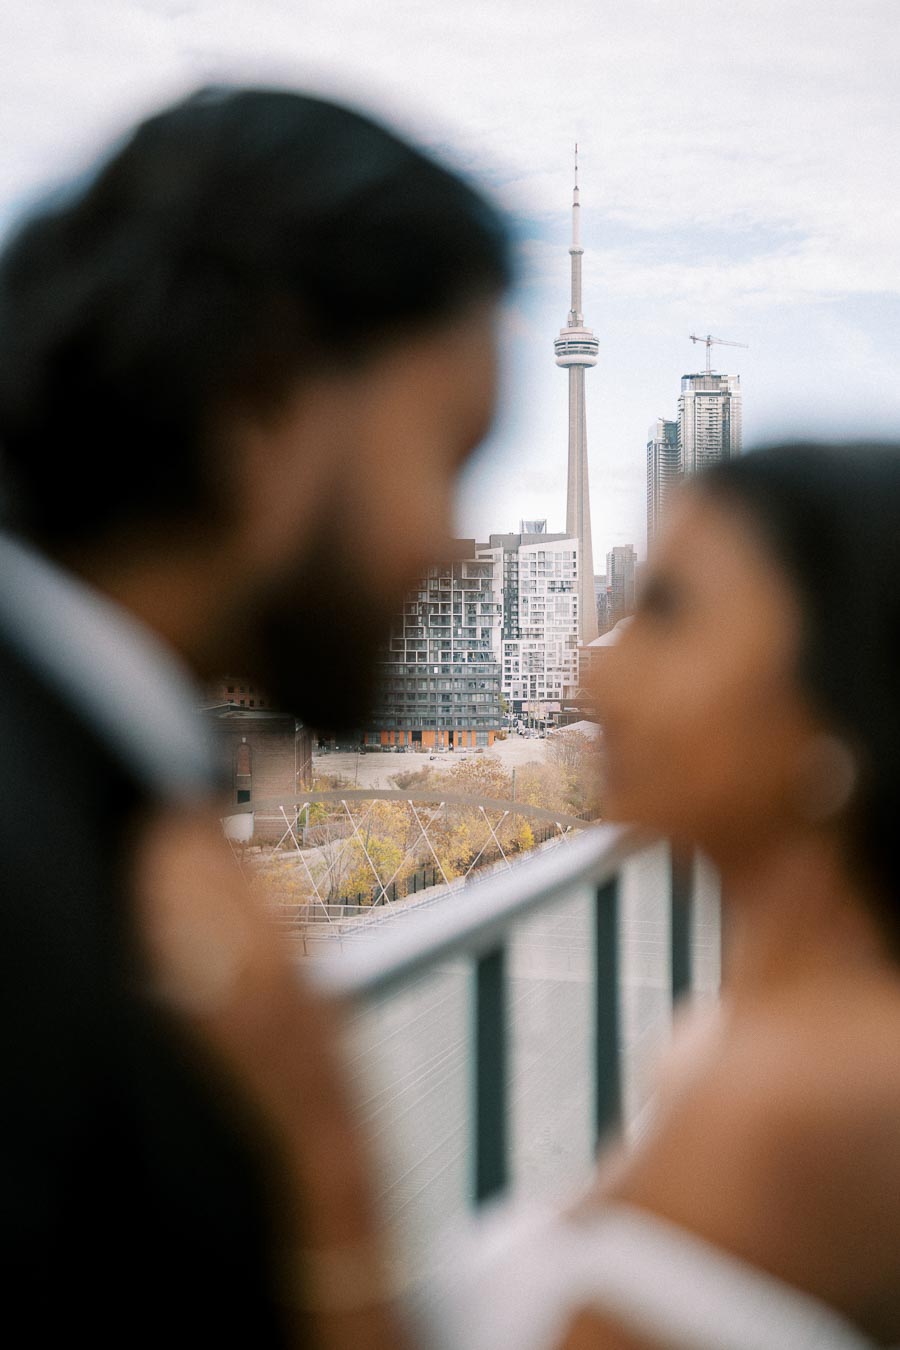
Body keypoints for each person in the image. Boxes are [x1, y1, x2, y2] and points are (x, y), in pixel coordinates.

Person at [0, 86, 510, 1346]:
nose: (459, 548)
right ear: (267, 400)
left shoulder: (103, 814)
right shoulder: (39, 892)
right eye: (448, 453)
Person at [413, 442, 900, 1350]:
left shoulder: (782, 1110)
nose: (591, 677)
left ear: (843, 700)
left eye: (667, 615)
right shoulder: (771, 1042)